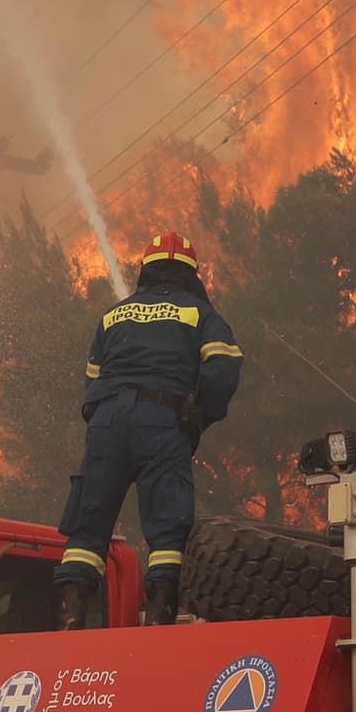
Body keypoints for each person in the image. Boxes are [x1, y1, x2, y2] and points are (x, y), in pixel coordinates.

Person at [53, 231, 242, 628]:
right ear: (191, 275)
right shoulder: (198, 314)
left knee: (91, 516)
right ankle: (159, 615)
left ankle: (72, 613)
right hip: (163, 419)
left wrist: (105, 422)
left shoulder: (113, 314)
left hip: (107, 421)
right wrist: (201, 412)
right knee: (167, 522)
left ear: (145, 272)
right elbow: (223, 367)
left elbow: (92, 379)